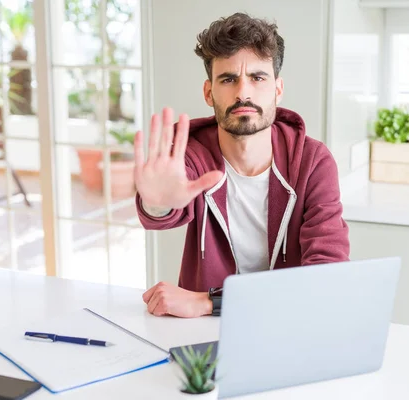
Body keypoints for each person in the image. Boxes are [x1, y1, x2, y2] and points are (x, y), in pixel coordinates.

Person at [134, 12, 350, 318]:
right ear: (209, 92)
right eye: (228, 79)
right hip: (206, 332)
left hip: (290, 320)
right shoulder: (192, 156)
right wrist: (157, 206)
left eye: (258, 77)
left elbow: (327, 274)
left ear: (278, 89)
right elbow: (167, 206)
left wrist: (210, 302)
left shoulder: (313, 162)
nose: (243, 92)